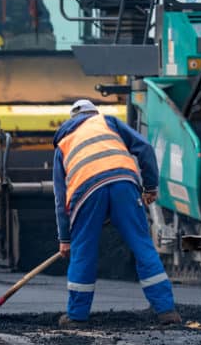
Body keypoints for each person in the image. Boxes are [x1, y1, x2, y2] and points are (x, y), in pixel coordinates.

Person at [53, 99, 180, 328]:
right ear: (94, 113)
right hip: (124, 182)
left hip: (86, 192)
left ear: (72, 119)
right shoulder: (108, 122)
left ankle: (77, 316)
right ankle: (166, 311)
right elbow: (145, 149)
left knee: (83, 252)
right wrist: (150, 187)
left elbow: (61, 198)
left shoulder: (63, 142)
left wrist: (65, 238)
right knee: (143, 246)